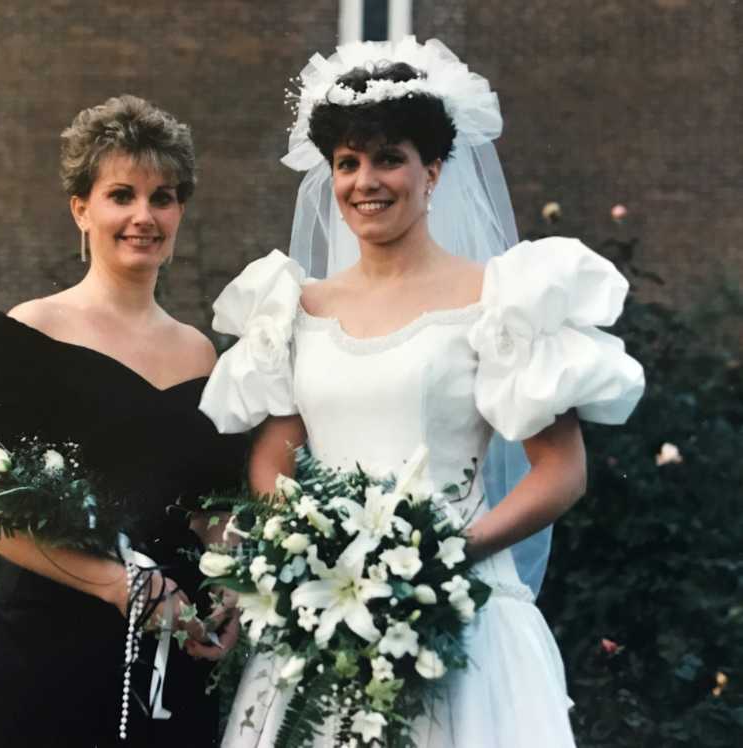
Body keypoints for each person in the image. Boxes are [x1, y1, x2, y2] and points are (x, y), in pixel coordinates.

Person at [200, 38, 645, 746]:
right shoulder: (293, 306)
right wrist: (312, 550)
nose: (364, 181)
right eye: (347, 162)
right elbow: (272, 460)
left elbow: (562, 471)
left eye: (388, 158)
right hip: (324, 613)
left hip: (461, 614)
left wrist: (448, 551)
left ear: (432, 170)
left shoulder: (497, 300)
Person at [0, 94, 246, 747]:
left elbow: (211, 509)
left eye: (163, 198)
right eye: (122, 195)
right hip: (48, 656)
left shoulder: (202, 352)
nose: (144, 216)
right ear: (80, 209)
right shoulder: (25, 334)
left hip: (173, 657)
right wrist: (121, 585)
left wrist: (233, 592)